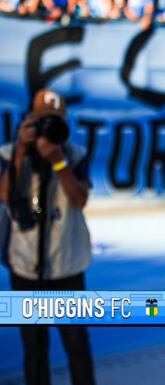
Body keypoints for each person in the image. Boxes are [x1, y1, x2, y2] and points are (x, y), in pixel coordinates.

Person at [0, 89, 96, 385]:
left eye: (55, 122)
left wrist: (57, 162)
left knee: (76, 344)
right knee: (34, 347)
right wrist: (19, 153)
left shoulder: (74, 154)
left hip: (67, 264)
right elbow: (4, 195)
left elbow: (79, 199)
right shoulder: (8, 153)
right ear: (29, 121)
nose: (49, 129)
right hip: (26, 263)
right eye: (42, 122)